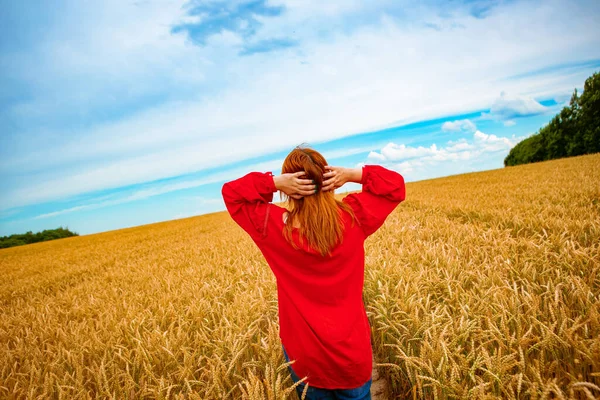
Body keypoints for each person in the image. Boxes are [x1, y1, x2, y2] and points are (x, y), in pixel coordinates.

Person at [222, 146, 406, 399]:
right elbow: (395, 186)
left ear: (291, 187)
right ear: (328, 179)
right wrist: (353, 175)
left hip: (305, 355)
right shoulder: (354, 217)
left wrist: (273, 183)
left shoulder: (270, 226)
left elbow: (231, 193)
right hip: (352, 352)